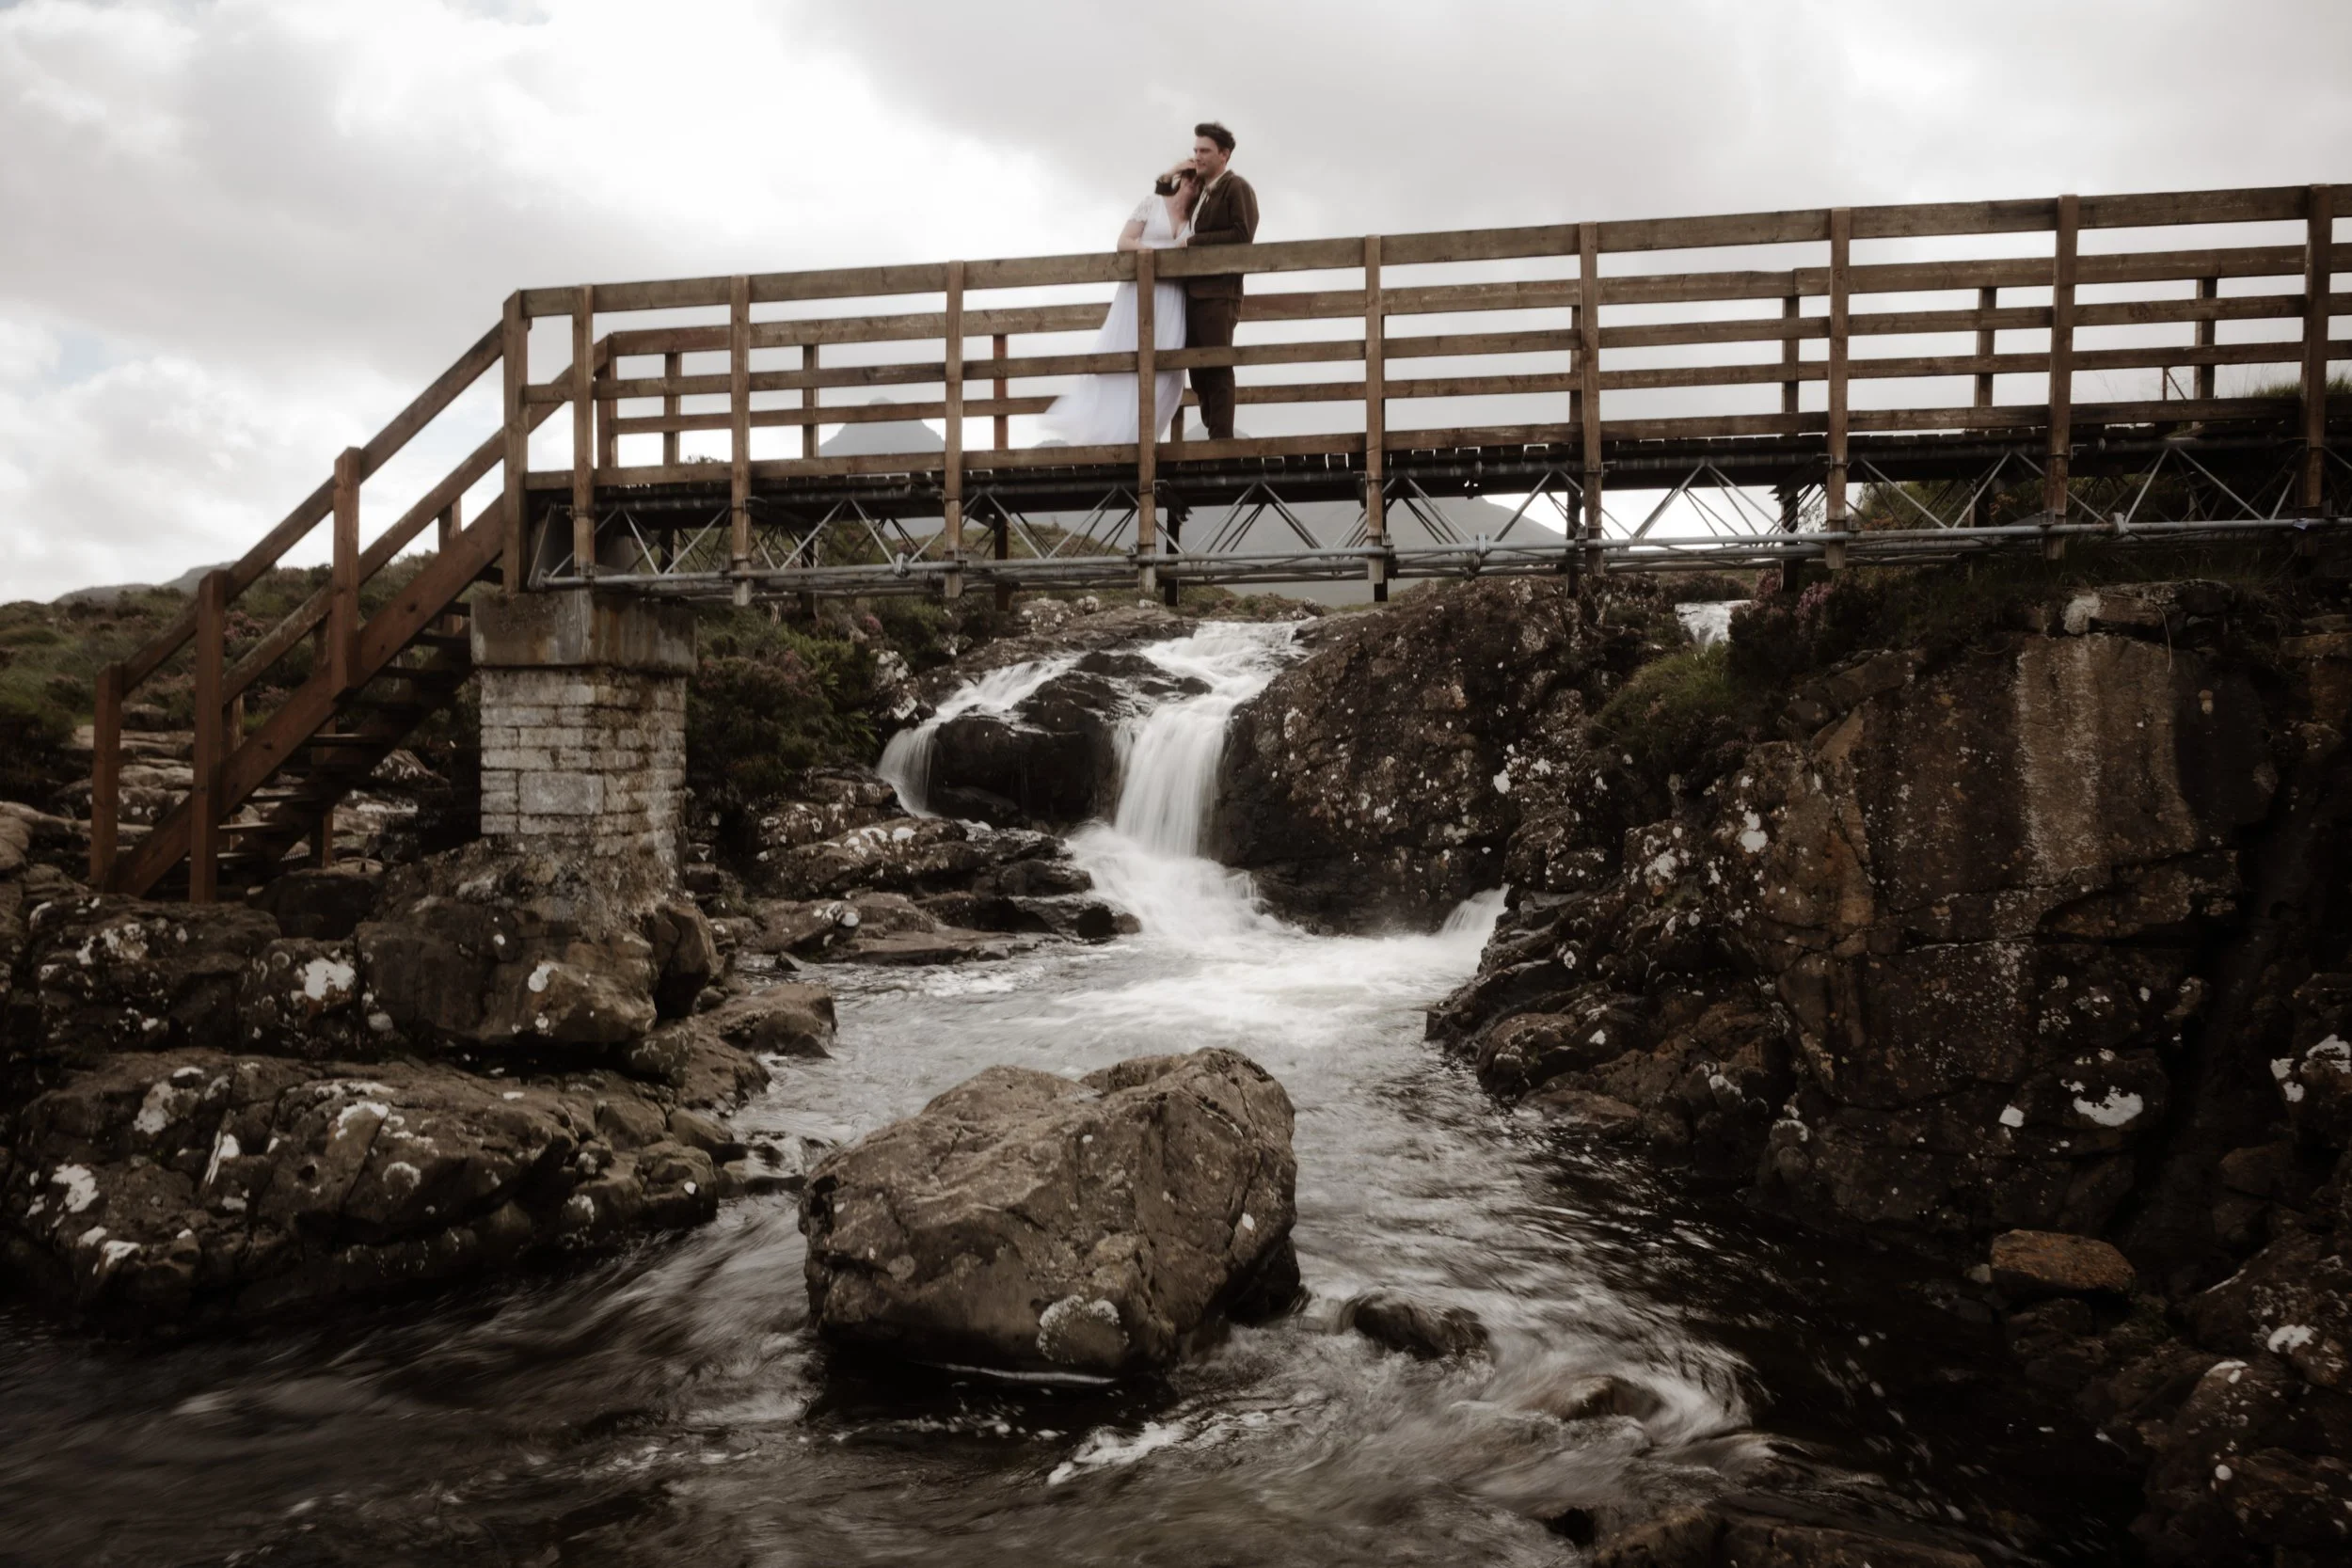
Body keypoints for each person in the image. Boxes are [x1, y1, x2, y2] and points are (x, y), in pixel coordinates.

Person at [1037, 164, 1199, 447]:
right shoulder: (1152, 204)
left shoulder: (1196, 219)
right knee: (1122, 359)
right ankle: (1109, 438)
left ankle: (1142, 439)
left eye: (1199, 181)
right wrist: (1158, 257)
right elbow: (1124, 242)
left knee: (1168, 373)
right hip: (1138, 294)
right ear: (1180, 177)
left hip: (1172, 298)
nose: (1192, 184)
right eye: (1188, 176)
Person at [1180, 121, 1257, 440]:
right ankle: (1214, 433)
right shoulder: (1202, 193)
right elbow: (1163, 188)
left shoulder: (1236, 187)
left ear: (1223, 154)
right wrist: (1183, 167)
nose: (1197, 156)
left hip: (1220, 293)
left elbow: (1242, 235)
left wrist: (1193, 244)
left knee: (1217, 365)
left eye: (1204, 151)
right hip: (1194, 293)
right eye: (1195, 150)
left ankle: (1221, 442)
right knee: (1197, 369)